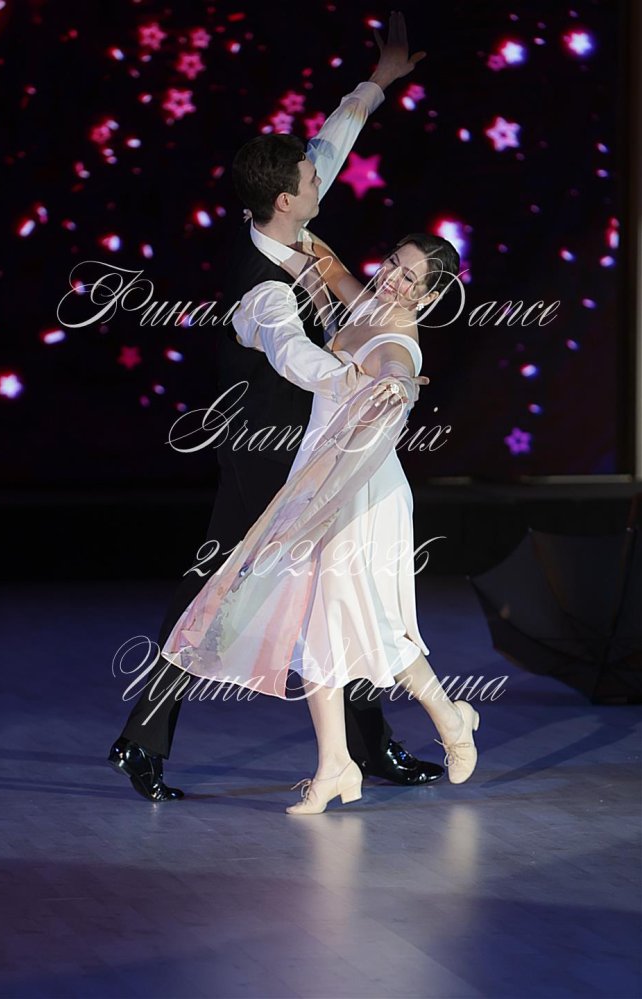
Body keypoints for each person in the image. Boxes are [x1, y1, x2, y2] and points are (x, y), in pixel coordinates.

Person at [108, 13, 445, 802]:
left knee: (339, 582)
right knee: (225, 585)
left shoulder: (280, 213)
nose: (322, 178)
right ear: (289, 199)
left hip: (314, 440)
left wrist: (377, 82)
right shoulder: (262, 290)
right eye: (310, 180)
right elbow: (296, 357)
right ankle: (144, 738)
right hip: (266, 449)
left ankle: (366, 747)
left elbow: (329, 143)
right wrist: (363, 378)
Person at [160, 229, 482, 815]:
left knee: (367, 622)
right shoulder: (365, 303)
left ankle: (450, 723)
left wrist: (398, 384)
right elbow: (325, 266)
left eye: (409, 278)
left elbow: (395, 367)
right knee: (320, 625)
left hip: (361, 493)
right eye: (394, 262)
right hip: (319, 481)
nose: (393, 278)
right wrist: (280, 224)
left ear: (428, 297)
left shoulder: (398, 341)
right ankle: (338, 763)